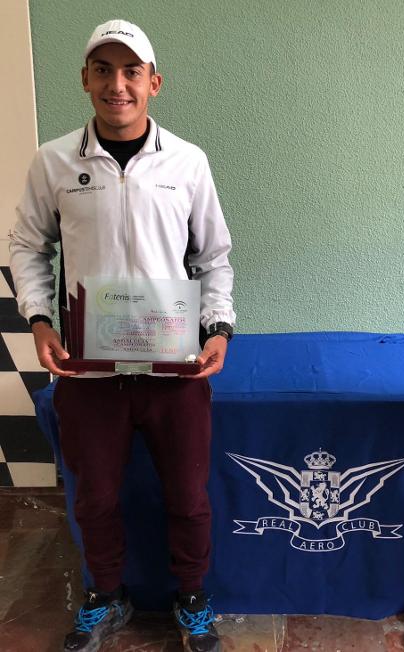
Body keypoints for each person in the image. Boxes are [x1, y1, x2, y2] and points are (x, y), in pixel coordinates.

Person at [9, 19, 234, 652]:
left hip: (175, 367)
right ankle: (105, 596)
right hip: (89, 371)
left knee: (189, 497)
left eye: (131, 71)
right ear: (84, 80)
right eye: (103, 70)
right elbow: (28, 245)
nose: (117, 85)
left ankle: (192, 599)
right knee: (95, 499)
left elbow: (214, 257)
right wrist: (40, 318)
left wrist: (218, 327)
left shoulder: (187, 161)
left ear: (153, 83)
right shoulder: (53, 161)